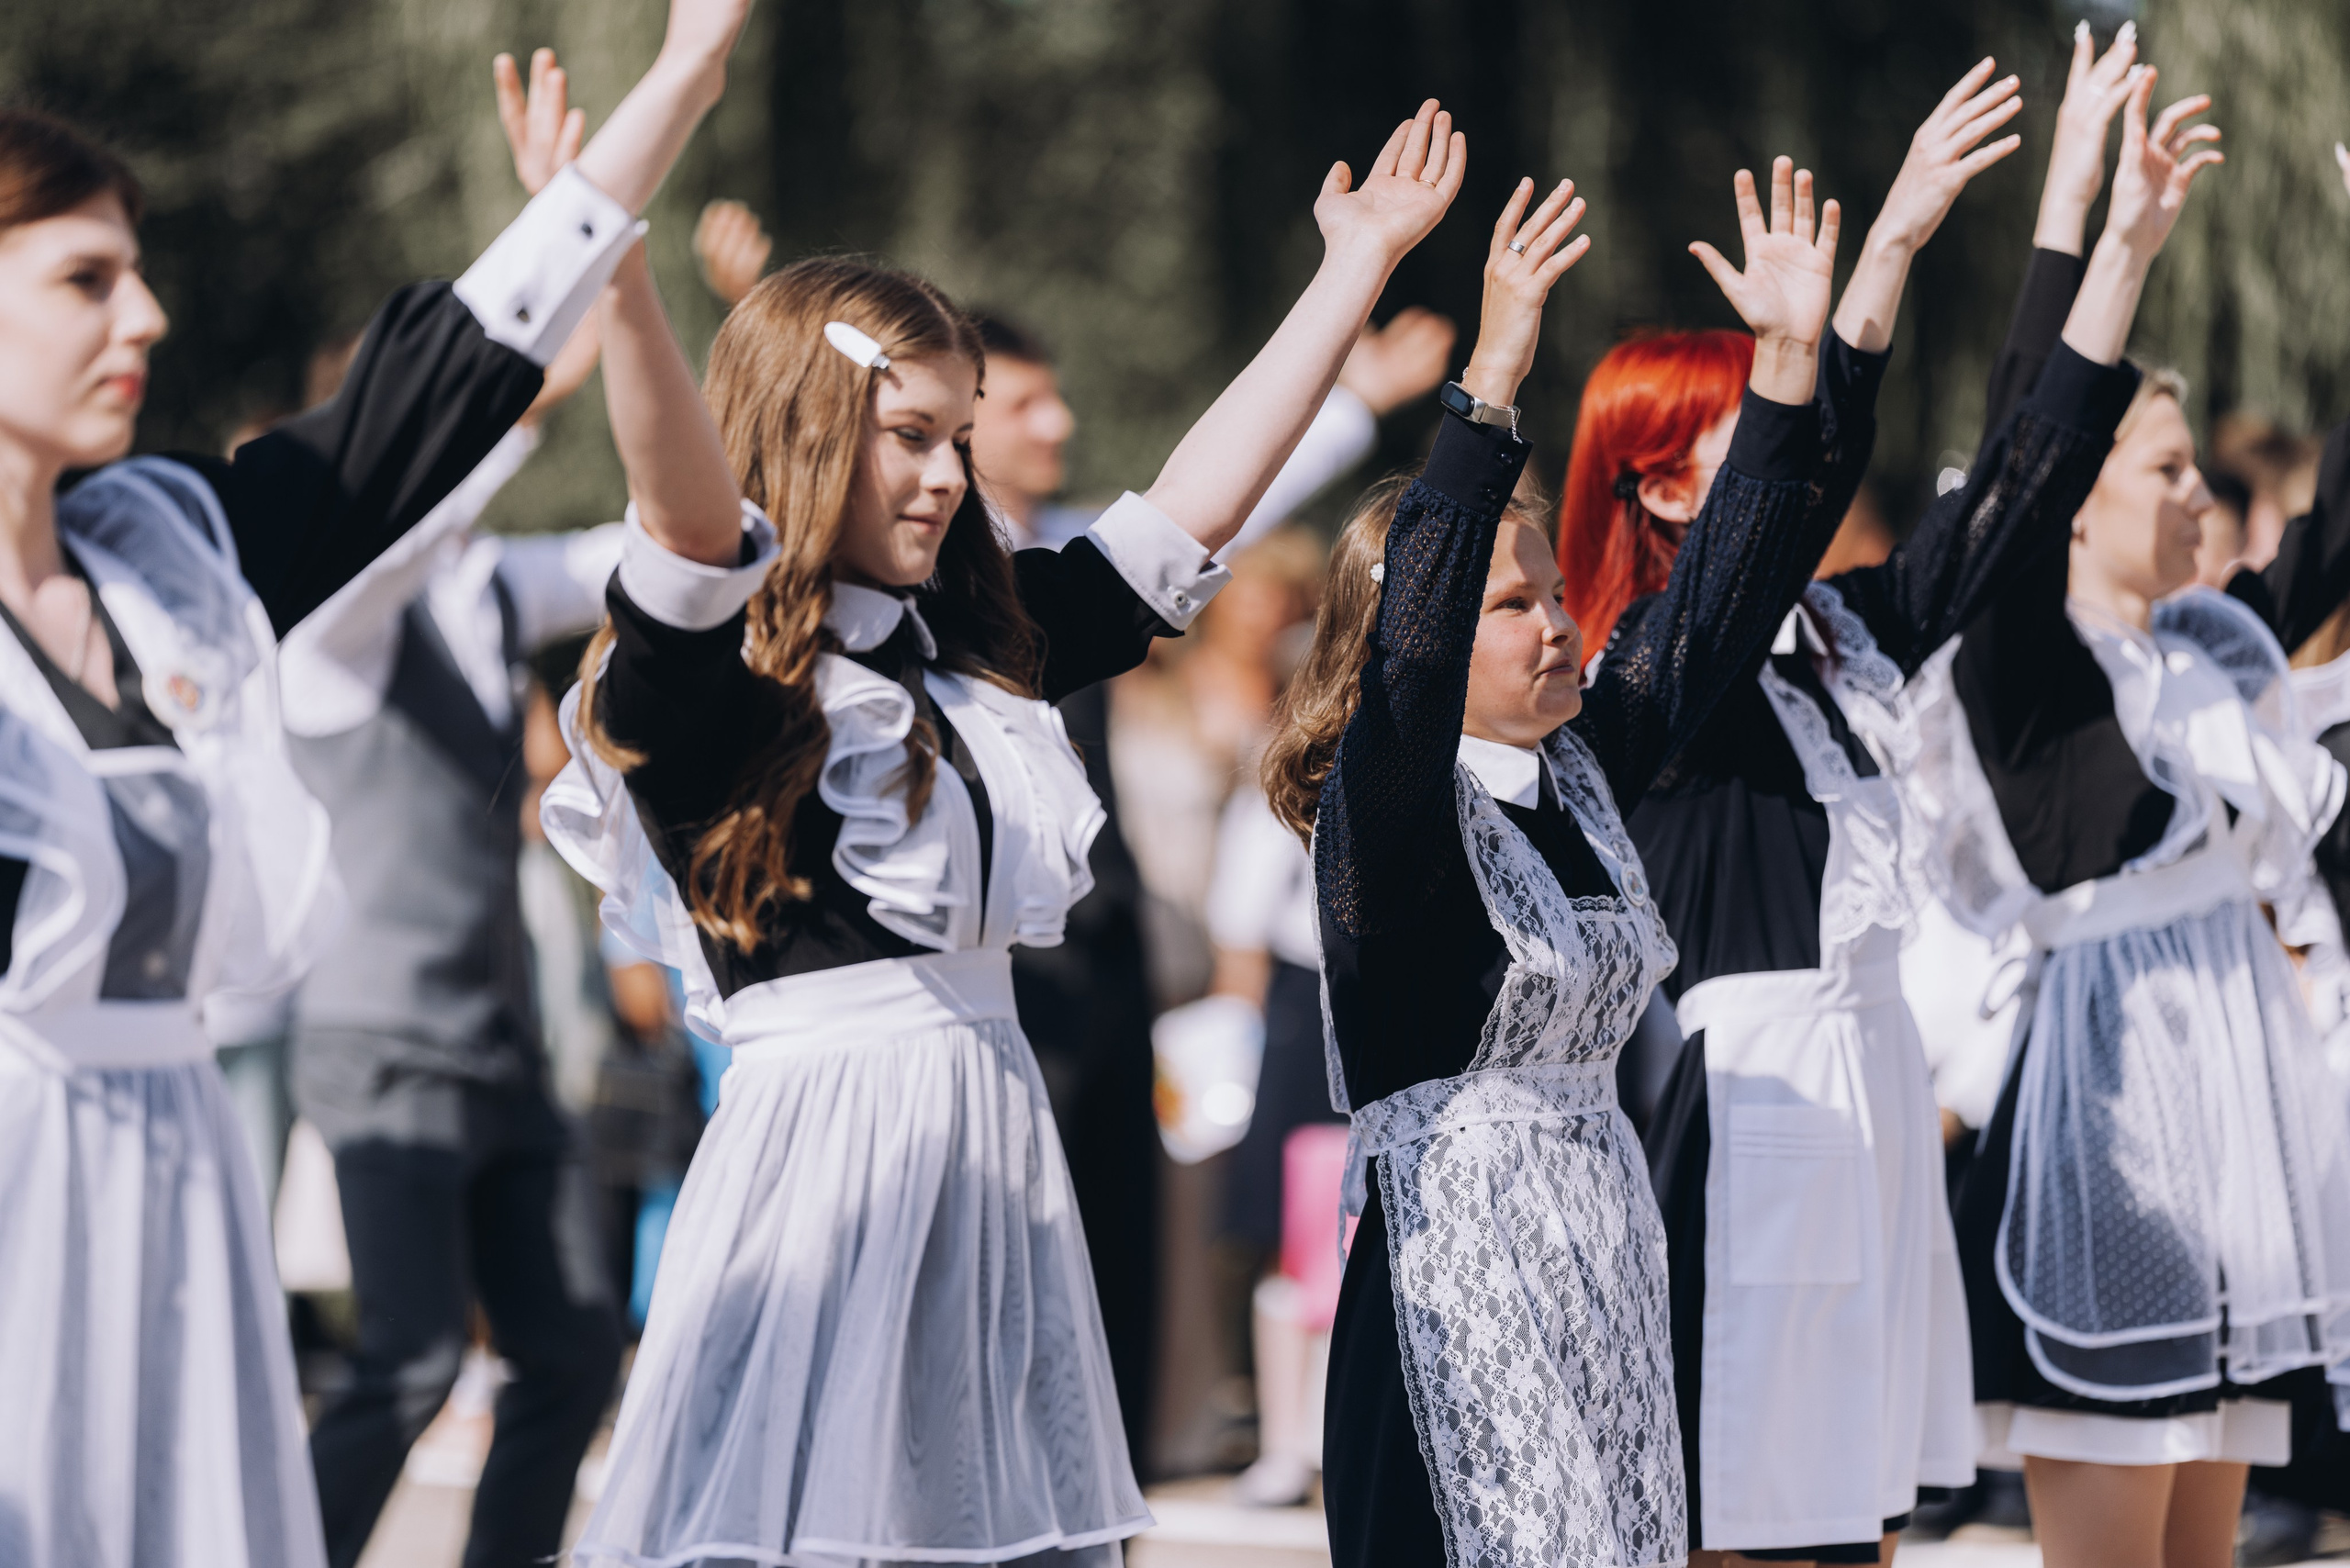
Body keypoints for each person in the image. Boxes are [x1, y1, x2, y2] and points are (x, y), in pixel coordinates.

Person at [542, 98, 1471, 1567]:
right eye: (909, 437)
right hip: (821, 1165)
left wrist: (1349, 273)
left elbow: (1191, 510)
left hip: (992, 1129)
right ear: (807, 430)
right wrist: (624, 282)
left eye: (957, 439)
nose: (948, 479)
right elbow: (680, 517)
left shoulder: (986, 646)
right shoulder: (714, 681)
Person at [0, 0, 750, 1556]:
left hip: (171, 1178)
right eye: (85, 277)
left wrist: (676, 78)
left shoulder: (167, 563)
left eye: (137, 272)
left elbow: (435, 387)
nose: (144, 317)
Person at [1267, 133, 1886, 1563]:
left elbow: (1727, 589)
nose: (1555, 625)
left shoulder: (1587, 767)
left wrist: (1792, 367)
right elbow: (1415, 653)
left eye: (1553, 596)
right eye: (1510, 606)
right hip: (1451, 1279)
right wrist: (1490, 382)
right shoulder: (1391, 811)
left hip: (1602, 1245)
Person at [1606, 47, 2186, 1564]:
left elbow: (2024, 482)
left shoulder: (1841, 640)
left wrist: (2097, 235)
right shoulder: (1648, 682)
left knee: (1856, 1503)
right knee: (1739, 1495)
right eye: (1749, 429)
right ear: (1662, 489)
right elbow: (1789, 493)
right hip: (1741, 1118)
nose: (1791, 469)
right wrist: (1882, 268)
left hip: (1867, 1095)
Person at [1928, 72, 2350, 1568]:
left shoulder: (2210, 660)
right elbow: (2019, 447)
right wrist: (2095, 232)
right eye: (2166, 470)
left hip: (2235, 1147)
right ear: (2081, 500)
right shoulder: (2026, 674)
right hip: (2105, 1148)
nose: (2199, 497)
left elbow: (2340, 521)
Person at [278, 49, 647, 1568]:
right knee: (414, 1360)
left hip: (499, 1037)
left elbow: (653, 547)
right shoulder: (325, 618)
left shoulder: (490, 589)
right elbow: (406, 516)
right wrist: (509, 388)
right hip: (378, 1038)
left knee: (564, 1356)